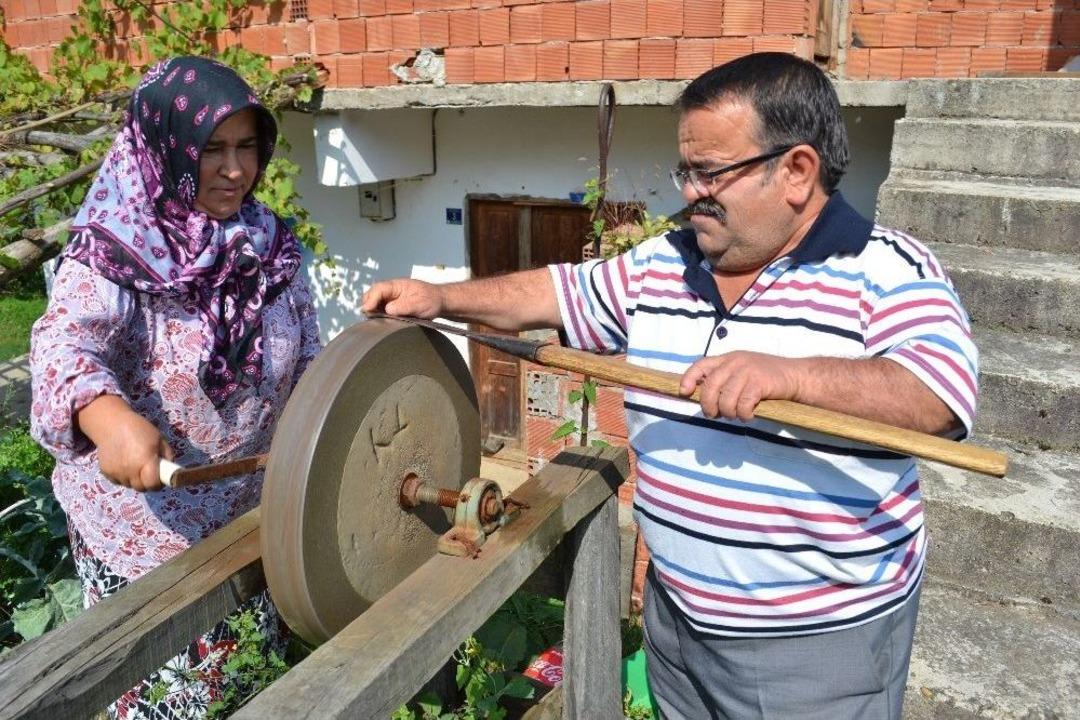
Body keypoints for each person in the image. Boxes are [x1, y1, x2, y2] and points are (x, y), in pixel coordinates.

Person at [363, 52, 978, 719]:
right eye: (686, 170)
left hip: (816, 648)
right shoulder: (665, 262)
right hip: (678, 626)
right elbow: (558, 293)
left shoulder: (884, 268)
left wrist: (790, 377)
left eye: (711, 172)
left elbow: (938, 396)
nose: (690, 191)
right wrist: (440, 296)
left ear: (796, 171)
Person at [29, 56, 321, 719]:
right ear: (165, 148)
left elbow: (307, 353)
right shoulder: (113, 252)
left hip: (251, 516)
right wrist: (106, 418)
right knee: (172, 699)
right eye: (212, 149)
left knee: (251, 678)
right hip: (149, 534)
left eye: (248, 146)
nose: (235, 169)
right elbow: (62, 346)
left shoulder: (268, 245)